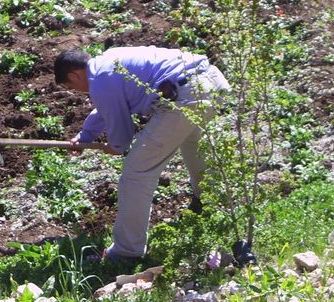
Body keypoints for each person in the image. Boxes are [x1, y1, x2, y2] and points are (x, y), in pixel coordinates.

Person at [54, 45, 230, 262]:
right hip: (211, 81)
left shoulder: (100, 81)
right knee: (194, 146)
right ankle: (213, 208)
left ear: (74, 75)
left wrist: (116, 147)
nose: (78, 91)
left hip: (185, 95)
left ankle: (126, 252)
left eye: (71, 86)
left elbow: (121, 135)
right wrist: (86, 135)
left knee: (137, 172)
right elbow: (106, 107)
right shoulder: (109, 62)